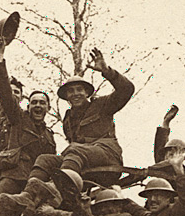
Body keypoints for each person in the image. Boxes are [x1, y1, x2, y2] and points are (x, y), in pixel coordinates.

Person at [0, 37, 56, 216]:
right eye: (33, 102)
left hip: (36, 186)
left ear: (48, 108)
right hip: (12, 178)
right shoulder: (17, 119)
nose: (37, 106)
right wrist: (0, 58)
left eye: (42, 103)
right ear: (27, 106)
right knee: (1, 215)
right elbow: (5, 93)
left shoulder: (49, 136)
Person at [57, 47, 134, 183]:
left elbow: (126, 89)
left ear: (87, 93)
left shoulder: (102, 105)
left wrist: (107, 71)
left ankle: (59, 188)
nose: (76, 94)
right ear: (66, 97)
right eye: (71, 91)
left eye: (79, 90)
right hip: (83, 163)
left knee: (74, 149)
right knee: (45, 160)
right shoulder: (68, 121)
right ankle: (30, 194)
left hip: (108, 157)